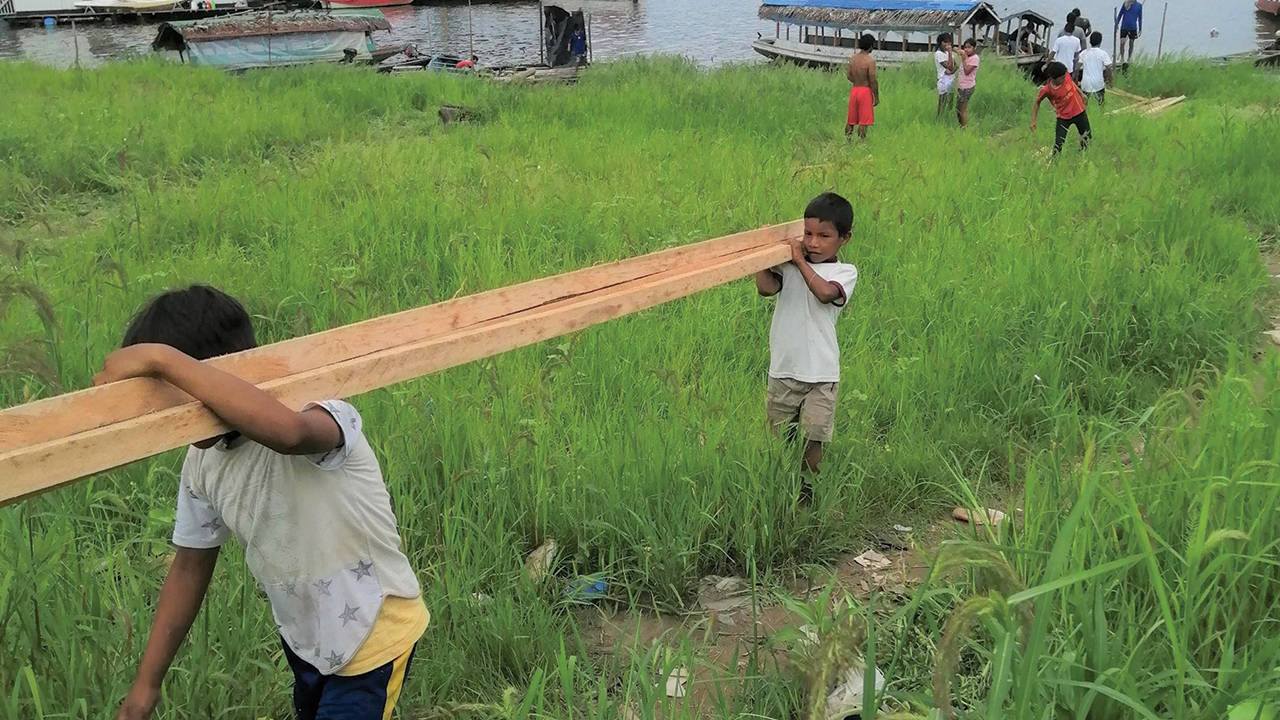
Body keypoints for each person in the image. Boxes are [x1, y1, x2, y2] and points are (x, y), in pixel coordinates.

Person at [107, 286, 428, 720]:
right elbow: (189, 565)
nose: (161, 417)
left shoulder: (320, 412)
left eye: (170, 393)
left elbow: (289, 433)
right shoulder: (201, 463)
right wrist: (147, 684)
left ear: (222, 375)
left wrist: (163, 359)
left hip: (372, 630)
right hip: (306, 640)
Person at [754, 193, 859, 488]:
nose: (813, 243)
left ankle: (807, 496)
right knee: (779, 437)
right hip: (784, 367)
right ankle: (779, 488)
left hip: (820, 373)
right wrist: (764, 256)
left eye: (824, 236)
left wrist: (799, 260)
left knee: (814, 438)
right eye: (808, 233)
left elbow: (825, 293)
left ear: (844, 238)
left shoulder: (844, 272)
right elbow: (766, 289)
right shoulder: (788, 266)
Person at [1031, 61, 1091, 156]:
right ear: (1053, 78)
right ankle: (1055, 162)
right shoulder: (1047, 90)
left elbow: (1071, 82)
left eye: (1064, 76)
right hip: (1063, 117)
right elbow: (1037, 102)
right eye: (1062, 78)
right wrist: (1033, 121)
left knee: (1086, 136)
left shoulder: (1065, 74)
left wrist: (1081, 93)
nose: (1064, 79)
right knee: (1059, 143)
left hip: (1079, 111)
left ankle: (1084, 156)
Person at [845, 34, 879, 140]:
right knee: (864, 121)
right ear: (870, 46)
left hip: (855, 90)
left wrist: (856, 81)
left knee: (851, 119)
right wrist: (876, 96)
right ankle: (861, 142)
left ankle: (847, 141)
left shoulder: (853, 59)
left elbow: (848, 76)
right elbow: (872, 79)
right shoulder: (870, 61)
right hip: (865, 91)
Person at [1079, 31, 1114, 106]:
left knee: (1084, 104)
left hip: (1086, 84)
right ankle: (1101, 115)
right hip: (1098, 84)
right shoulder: (1103, 54)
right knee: (1101, 104)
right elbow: (1108, 68)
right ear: (1100, 41)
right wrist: (1110, 81)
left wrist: (1075, 81)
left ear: (1090, 41)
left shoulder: (1083, 53)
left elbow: (1076, 68)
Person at [956, 38, 980, 128]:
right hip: (961, 86)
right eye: (965, 47)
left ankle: (964, 129)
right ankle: (961, 127)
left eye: (969, 47)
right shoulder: (967, 56)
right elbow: (956, 49)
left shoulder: (975, 58)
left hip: (967, 87)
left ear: (974, 48)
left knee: (962, 110)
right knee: (958, 109)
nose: (966, 49)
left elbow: (967, 71)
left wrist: (963, 59)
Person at [935, 33, 958, 120]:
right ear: (940, 43)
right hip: (943, 79)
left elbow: (956, 66)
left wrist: (951, 71)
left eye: (949, 43)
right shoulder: (939, 54)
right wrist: (950, 54)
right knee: (942, 100)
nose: (947, 45)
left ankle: (947, 117)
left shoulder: (950, 54)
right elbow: (949, 66)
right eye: (945, 42)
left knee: (951, 100)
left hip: (951, 78)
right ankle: (939, 117)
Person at [1115, 0, 1143, 70]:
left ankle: (1129, 58)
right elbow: (1120, 14)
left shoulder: (1139, 6)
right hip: (1124, 26)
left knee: (1131, 43)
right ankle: (1122, 58)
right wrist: (1116, 24)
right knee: (1122, 43)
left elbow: (1140, 17)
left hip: (1133, 27)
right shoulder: (1126, 4)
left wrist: (1140, 28)